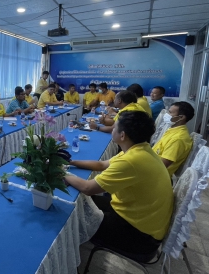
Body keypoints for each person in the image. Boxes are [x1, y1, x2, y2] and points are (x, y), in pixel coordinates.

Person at [64, 111, 173, 255]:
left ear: (122, 135)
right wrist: (69, 162)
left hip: (140, 236)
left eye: (114, 127)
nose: (111, 129)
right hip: (137, 218)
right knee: (82, 204)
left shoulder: (131, 160)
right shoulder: (139, 149)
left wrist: (61, 173)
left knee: (69, 219)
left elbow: (87, 188)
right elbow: (102, 165)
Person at [152, 101, 194, 177]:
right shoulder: (174, 130)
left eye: (170, 112)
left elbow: (162, 166)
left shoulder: (178, 139)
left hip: (156, 176)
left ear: (181, 117)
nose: (166, 115)